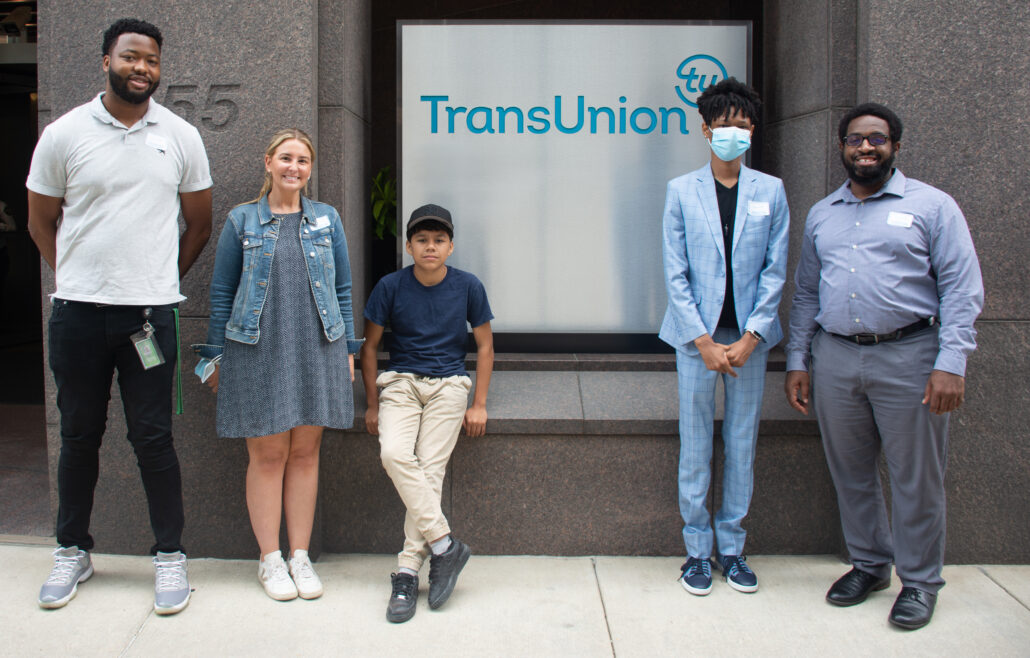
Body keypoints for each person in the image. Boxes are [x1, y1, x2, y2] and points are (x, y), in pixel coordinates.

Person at [26, 18, 212, 614]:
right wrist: (77, 276)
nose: (142, 69)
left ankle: (169, 557)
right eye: (131, 57)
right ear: (105, 60)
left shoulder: (180, 135)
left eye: (152, 61)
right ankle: (72, 550)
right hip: (78, 314)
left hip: (149, 318)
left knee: (154, 438)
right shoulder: (64, 133)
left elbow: (199, 224)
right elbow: (40, 220)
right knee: (79, 436)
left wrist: (156, 283)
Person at [784, 102, 983, 630]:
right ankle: (870, 565)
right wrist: (799, 360)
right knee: (851, 471)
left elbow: (962, 289)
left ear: (895, 145)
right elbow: (806, 292)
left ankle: (919, 581)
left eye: (876, 138)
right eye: (854, 140)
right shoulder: (823, 212)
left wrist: (952, 361)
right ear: (842, 147)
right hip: (836, 357)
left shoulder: (932, 206)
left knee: (916, 476)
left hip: (910, 355)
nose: (865, 147)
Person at [195, 128, 360, 601]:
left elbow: (344, 290)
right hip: (255, 349)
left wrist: (347, 347)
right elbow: (222, 293)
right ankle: (269, 559)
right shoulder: (241, 220)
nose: (294, 167)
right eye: (286, 158)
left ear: (310, 169)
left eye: (303, 160)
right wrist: (215, 357)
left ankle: (300, 556)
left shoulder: (327, 220)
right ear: (267, 162)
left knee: (306, 455)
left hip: (318, 347)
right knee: (268, 456)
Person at [659, 77, 789, 596]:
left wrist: (753, 334)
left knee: (740, 444)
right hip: (697, 341)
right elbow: (675, 273)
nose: (732, 132)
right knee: (695, 445)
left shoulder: (771, 190)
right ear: (705, 130)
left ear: (752, 129)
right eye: (722, 125)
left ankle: (732, 548)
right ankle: (696, 551)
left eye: (741, 124)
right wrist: (703, 341)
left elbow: (778, 268)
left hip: (749, 341)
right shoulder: (680, 190)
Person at [360, 204, 493, 623]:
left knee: (429, 471)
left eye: (438, 240)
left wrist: (479, 404)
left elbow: (485, 347)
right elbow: (369, 349)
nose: (430, 246)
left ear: (450, 247)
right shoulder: (390, 286)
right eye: (421, 240)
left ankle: (405, 573)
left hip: (449, 386)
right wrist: (371, 403)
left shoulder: (468, 286)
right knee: (395, 455)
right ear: (409, 246)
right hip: (400, 383)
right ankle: (444, 544)